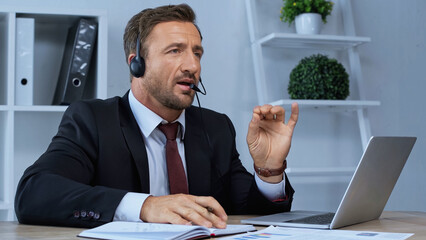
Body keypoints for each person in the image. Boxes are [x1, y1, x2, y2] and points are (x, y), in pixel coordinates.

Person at [15, 4, 299, 229]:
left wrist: (269, 171)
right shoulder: (93, 120)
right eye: (175, 51)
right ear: (136, 64)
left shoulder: (216, 127)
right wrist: (146, 206)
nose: (193, 65)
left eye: (197, 53)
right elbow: (34, 194)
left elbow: (252, 216)